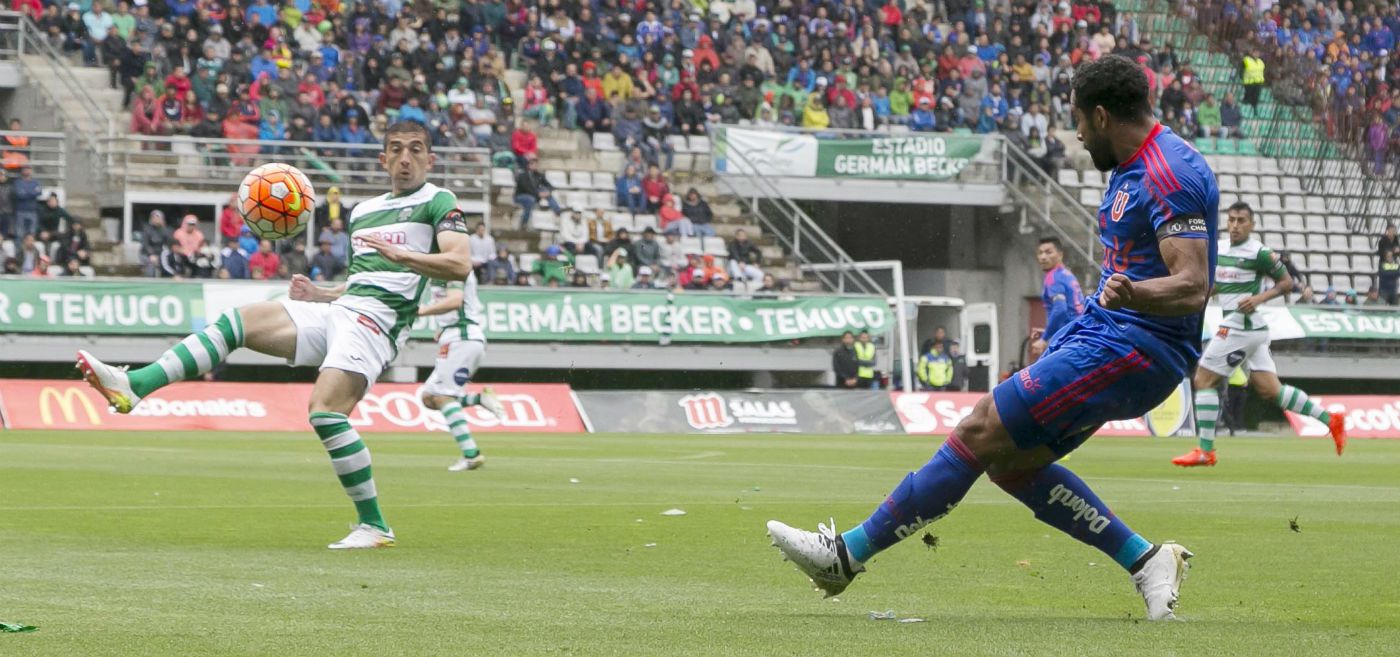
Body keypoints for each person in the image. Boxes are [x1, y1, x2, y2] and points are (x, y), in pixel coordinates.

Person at [766, 55, 1217, 620]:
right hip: (1106, 336)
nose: (1075, 134)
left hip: (1135, 346)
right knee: (1010, 464)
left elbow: (1192, 285)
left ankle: (845, 556)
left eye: (1078, 119)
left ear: (1101, 115)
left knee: (980, 427)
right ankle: (1146, 560)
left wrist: (1133, 296)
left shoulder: (1170, 172)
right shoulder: (1133, 167)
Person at [76, 121, 473, 550]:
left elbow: (459, 264)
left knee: (325, 413)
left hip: (377, 327)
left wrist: (407, 255)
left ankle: (374, 525)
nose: (405, 158)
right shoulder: (363, 212)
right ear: (383, 159)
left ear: (430, 160)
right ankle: (137, 385)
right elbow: (363, 281)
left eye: (415, 150)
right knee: (238, 323)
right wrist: (321, 294)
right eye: (395, 149)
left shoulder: (438, 200)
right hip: (343, 310)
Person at [1172, 202, 1345, 467]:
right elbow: (1221, 284)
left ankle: (1206, 451)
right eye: (1231, 220)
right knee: (1270, 389)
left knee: (1203, 380)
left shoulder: (1260, 253)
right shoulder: (1220, 248)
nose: (1235, 226)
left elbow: (1287, 283)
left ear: (1251, 224)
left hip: (1242, 324)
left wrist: (1259, 298)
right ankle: (1330, 420)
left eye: (1241, 220)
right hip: (1250, 327)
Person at [415, 272, 507, 472]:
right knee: (428, 397)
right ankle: (478, 399)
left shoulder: (454, 267)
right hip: (455, 336)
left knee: (442, 396)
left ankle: (471, 454)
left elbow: (455, 300)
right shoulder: (441, 268)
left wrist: (421, 311)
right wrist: (443, 326)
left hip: (462, 338)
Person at [1029, 237, 1086, 363]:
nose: (1043, 257)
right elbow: (1074, 310)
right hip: (1080, 335)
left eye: (1048, 252)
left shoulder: (1053, 278)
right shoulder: (1067, 274)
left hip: (1068, 339)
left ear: (1060, 254)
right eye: (1040, 252)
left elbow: (1060, 309)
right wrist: (1048, 329)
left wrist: (1044, 338)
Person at [514, 157, 562, 228]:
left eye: (536, 165)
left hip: (534, 195)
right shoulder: (522, 175)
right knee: (530, 200)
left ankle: (557, 211)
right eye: (533, 164)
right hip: (521, 195)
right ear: (529, 165)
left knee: (545, 192)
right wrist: (538, 194)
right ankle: (524, 222)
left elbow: (549, 186)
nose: (535, 166)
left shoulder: (539, 175)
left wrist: (547, 192)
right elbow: (526, 188)